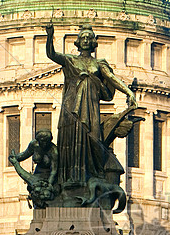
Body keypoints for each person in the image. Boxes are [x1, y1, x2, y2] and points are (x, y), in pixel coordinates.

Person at [45, 23, 137, 197]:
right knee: (71, 140)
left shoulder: (99, 63)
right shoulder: (70, 60)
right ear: (78, 42)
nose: (86, 40)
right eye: (83, 38)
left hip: (90, 109)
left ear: (94, 43)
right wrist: (50, 35)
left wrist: (128, 92)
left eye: (89, 38)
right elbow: (51, 54)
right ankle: (69, 178)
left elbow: (111, 78)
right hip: (71, 107)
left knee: (92, 139)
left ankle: (90, 174)